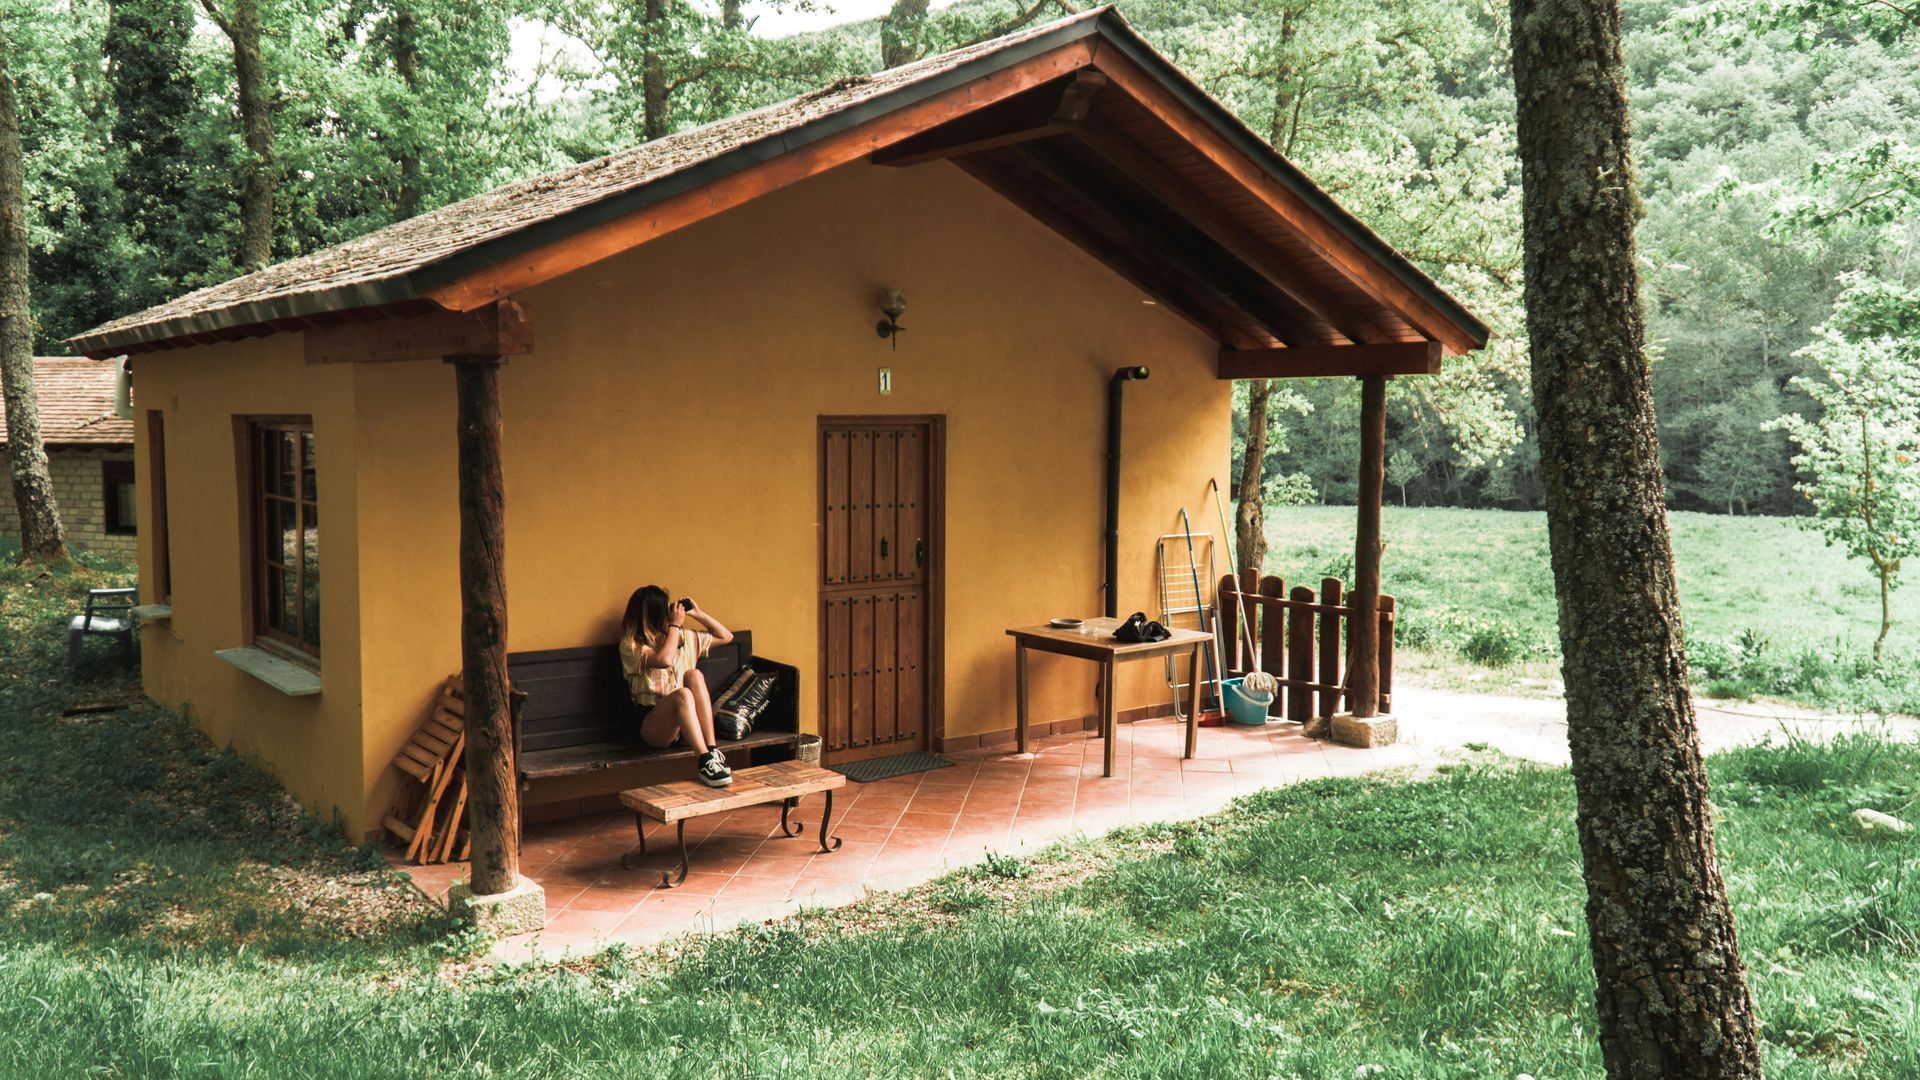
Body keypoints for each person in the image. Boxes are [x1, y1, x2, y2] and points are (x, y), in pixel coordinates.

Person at [618, 585, 736, 787]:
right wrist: (674, 626)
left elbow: (726, 636)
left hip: (686, 728)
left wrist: (698, 614)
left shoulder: (686, 638)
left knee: (695, 675)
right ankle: (704, 762)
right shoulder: (631, 646)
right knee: (682, 694)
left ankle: (712, 750)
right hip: (653, 728)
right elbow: (665, 659)